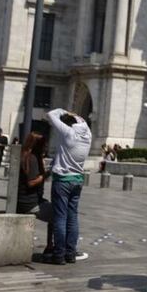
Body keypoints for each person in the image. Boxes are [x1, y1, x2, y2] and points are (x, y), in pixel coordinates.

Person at [46, 107, 92, 265]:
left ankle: (59, 254)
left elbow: (51, 114)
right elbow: (83, 121)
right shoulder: (88, 135)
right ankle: (70, 253)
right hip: (77, 180)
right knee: (72, 217)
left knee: (60, 217)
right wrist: (75, 115)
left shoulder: (69, 133)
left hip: (62, 180)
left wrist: (63, 111)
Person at [16, 131, 54, 257]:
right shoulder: (32, 159)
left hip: (24, 201)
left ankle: (50, 246)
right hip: (30, 203)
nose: (46, 147)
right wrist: (45, 175)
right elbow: (31, 182)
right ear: (37, 145)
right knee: (59, 213)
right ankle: (51, 247)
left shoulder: (25, 156)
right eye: (44, 145)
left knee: (54, 209)